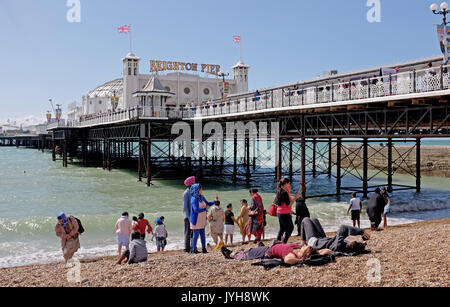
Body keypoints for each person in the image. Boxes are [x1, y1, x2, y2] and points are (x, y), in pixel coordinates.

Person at [221, 241, 331, 265]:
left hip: (267, 252)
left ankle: (230, 254)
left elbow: (288, 260)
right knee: (260, 247)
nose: (305, 245)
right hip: (273, 246)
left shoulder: (292, 255)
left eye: (306, 247)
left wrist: (302, 260)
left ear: (305, 253)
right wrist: (318, 253)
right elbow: (328, 251)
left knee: (248, 253)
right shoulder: (299, 248)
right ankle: (261, 245)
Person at [300, 218, 370, 253]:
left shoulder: (339, 245)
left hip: (314, 242)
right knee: (314, 219)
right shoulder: (346, 246)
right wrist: (362, 242)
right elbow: (356, 246)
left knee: (306, 219)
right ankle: (303, 242)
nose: (350, 242)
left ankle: (303, 242)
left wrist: (361, 231)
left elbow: (343, 228)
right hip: (324, 239)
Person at [190, 183, 218, 254]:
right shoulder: (194, 199)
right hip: (196, 220)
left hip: (202, 219)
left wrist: (215, 201)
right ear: (197, 190)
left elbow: (208, 203)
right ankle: (194, 249)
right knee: (195, 235)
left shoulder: (201, 197)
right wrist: (204, 209)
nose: (202, 190)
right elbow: (196, 210)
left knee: (202, 235)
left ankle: (204, 249)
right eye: (200, 189)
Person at [274, 178, 300, 244]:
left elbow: (286, 200)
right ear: (285, 184)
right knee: (290, 228)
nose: (289, 184)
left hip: (280, 212)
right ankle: (284, 243)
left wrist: (289, 191)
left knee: (282, 228)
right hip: (284, 213)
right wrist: (295, 197)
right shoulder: (284, 193)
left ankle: (278, 242)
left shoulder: (280, 190)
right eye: (288, 183)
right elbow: (289, 204)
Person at [183, 176, 195, 253]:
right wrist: (189, 217)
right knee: (187, 233)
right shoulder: (186, 193)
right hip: (188, 217)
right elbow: (185, 207)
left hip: (194, 215)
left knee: (194, 233)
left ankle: (193, 247)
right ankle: (187, 249)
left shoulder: (193, 192)